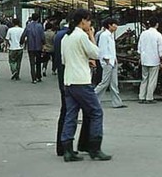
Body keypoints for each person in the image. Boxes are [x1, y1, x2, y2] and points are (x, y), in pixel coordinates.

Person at [60, 9, 111, 162]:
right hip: (81, 81)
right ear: (83, 21)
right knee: (96, 112)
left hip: (69, 81)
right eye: (89, 21)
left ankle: (68, 150)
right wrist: (91, 36)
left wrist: (82, 59)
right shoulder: (81, 36)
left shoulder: (66, 37)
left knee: (71, 115)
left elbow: (64, 60)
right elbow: (96, 53)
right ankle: (95, 148)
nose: (90, 24)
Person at [54, 19, 90, 157]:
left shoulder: (60, 35)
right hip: (76, 80)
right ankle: (85, 144)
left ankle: (62, 147)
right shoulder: (73, 36)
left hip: (64, 79)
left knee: (66, 112)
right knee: (91, 111)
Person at [94, 18, 127, 108]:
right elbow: (102, 48)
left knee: (114, 83)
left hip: (113, 61)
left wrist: (114, 59)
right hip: (108, 62)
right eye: (114, 25)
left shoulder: (111, 35)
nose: (116, 26)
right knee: (104, 82)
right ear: (109, 25)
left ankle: (117, 102)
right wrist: (106, 59)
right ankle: (93, 98)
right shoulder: (104, 35)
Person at [137, 17, 162, 104]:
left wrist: (140, 57)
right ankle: (149, 97)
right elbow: (161, 49)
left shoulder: (143, 34)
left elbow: (139, 48)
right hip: (154, 60)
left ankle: (141, 96)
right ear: (157, 24)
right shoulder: (158, 35)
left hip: (144, 59)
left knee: (144, 78)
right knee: (152, 79)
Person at [20, 13, 45, 84]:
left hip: (30, 47)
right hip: (38, 46)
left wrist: (21, 42)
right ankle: (38, 76)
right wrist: (44, 43)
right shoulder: (40, 26)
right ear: (38, 18)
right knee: (38, 62)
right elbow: (42, 36)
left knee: (32, 63)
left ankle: (33, 78)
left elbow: (23, 35)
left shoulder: (28, 26)